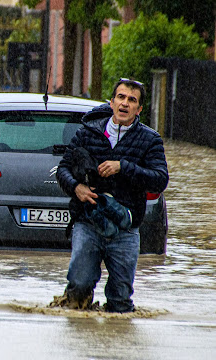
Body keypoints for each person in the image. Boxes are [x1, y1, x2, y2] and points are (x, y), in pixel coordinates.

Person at [54, 78, 169, 312]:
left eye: (132, 100)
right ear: (111, 101)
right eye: (121, 97)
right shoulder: (87, 133)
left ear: (139, 109)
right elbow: (63, 168)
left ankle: (117, 342)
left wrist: (123, 166)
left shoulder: (150, 140)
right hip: (88, 222)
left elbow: (160, 179)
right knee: (79, 285)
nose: (125, 104)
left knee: (120, 299)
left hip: (126, 229)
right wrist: (77, 187)